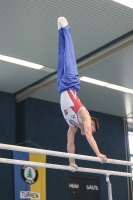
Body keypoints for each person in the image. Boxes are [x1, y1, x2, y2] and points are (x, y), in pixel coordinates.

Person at [57, 17, 107, 171]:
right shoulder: (84, 115)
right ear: (90, 123)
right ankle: (66, 29)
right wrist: (98, 154)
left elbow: (70, 144)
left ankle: (60, 31)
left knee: (61, 56)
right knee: (69, 56)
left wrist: (71, 162)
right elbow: (90, 137)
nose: (88, 132)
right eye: (91, 129)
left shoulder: (72, 126)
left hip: (60, 86)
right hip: (71, 83)